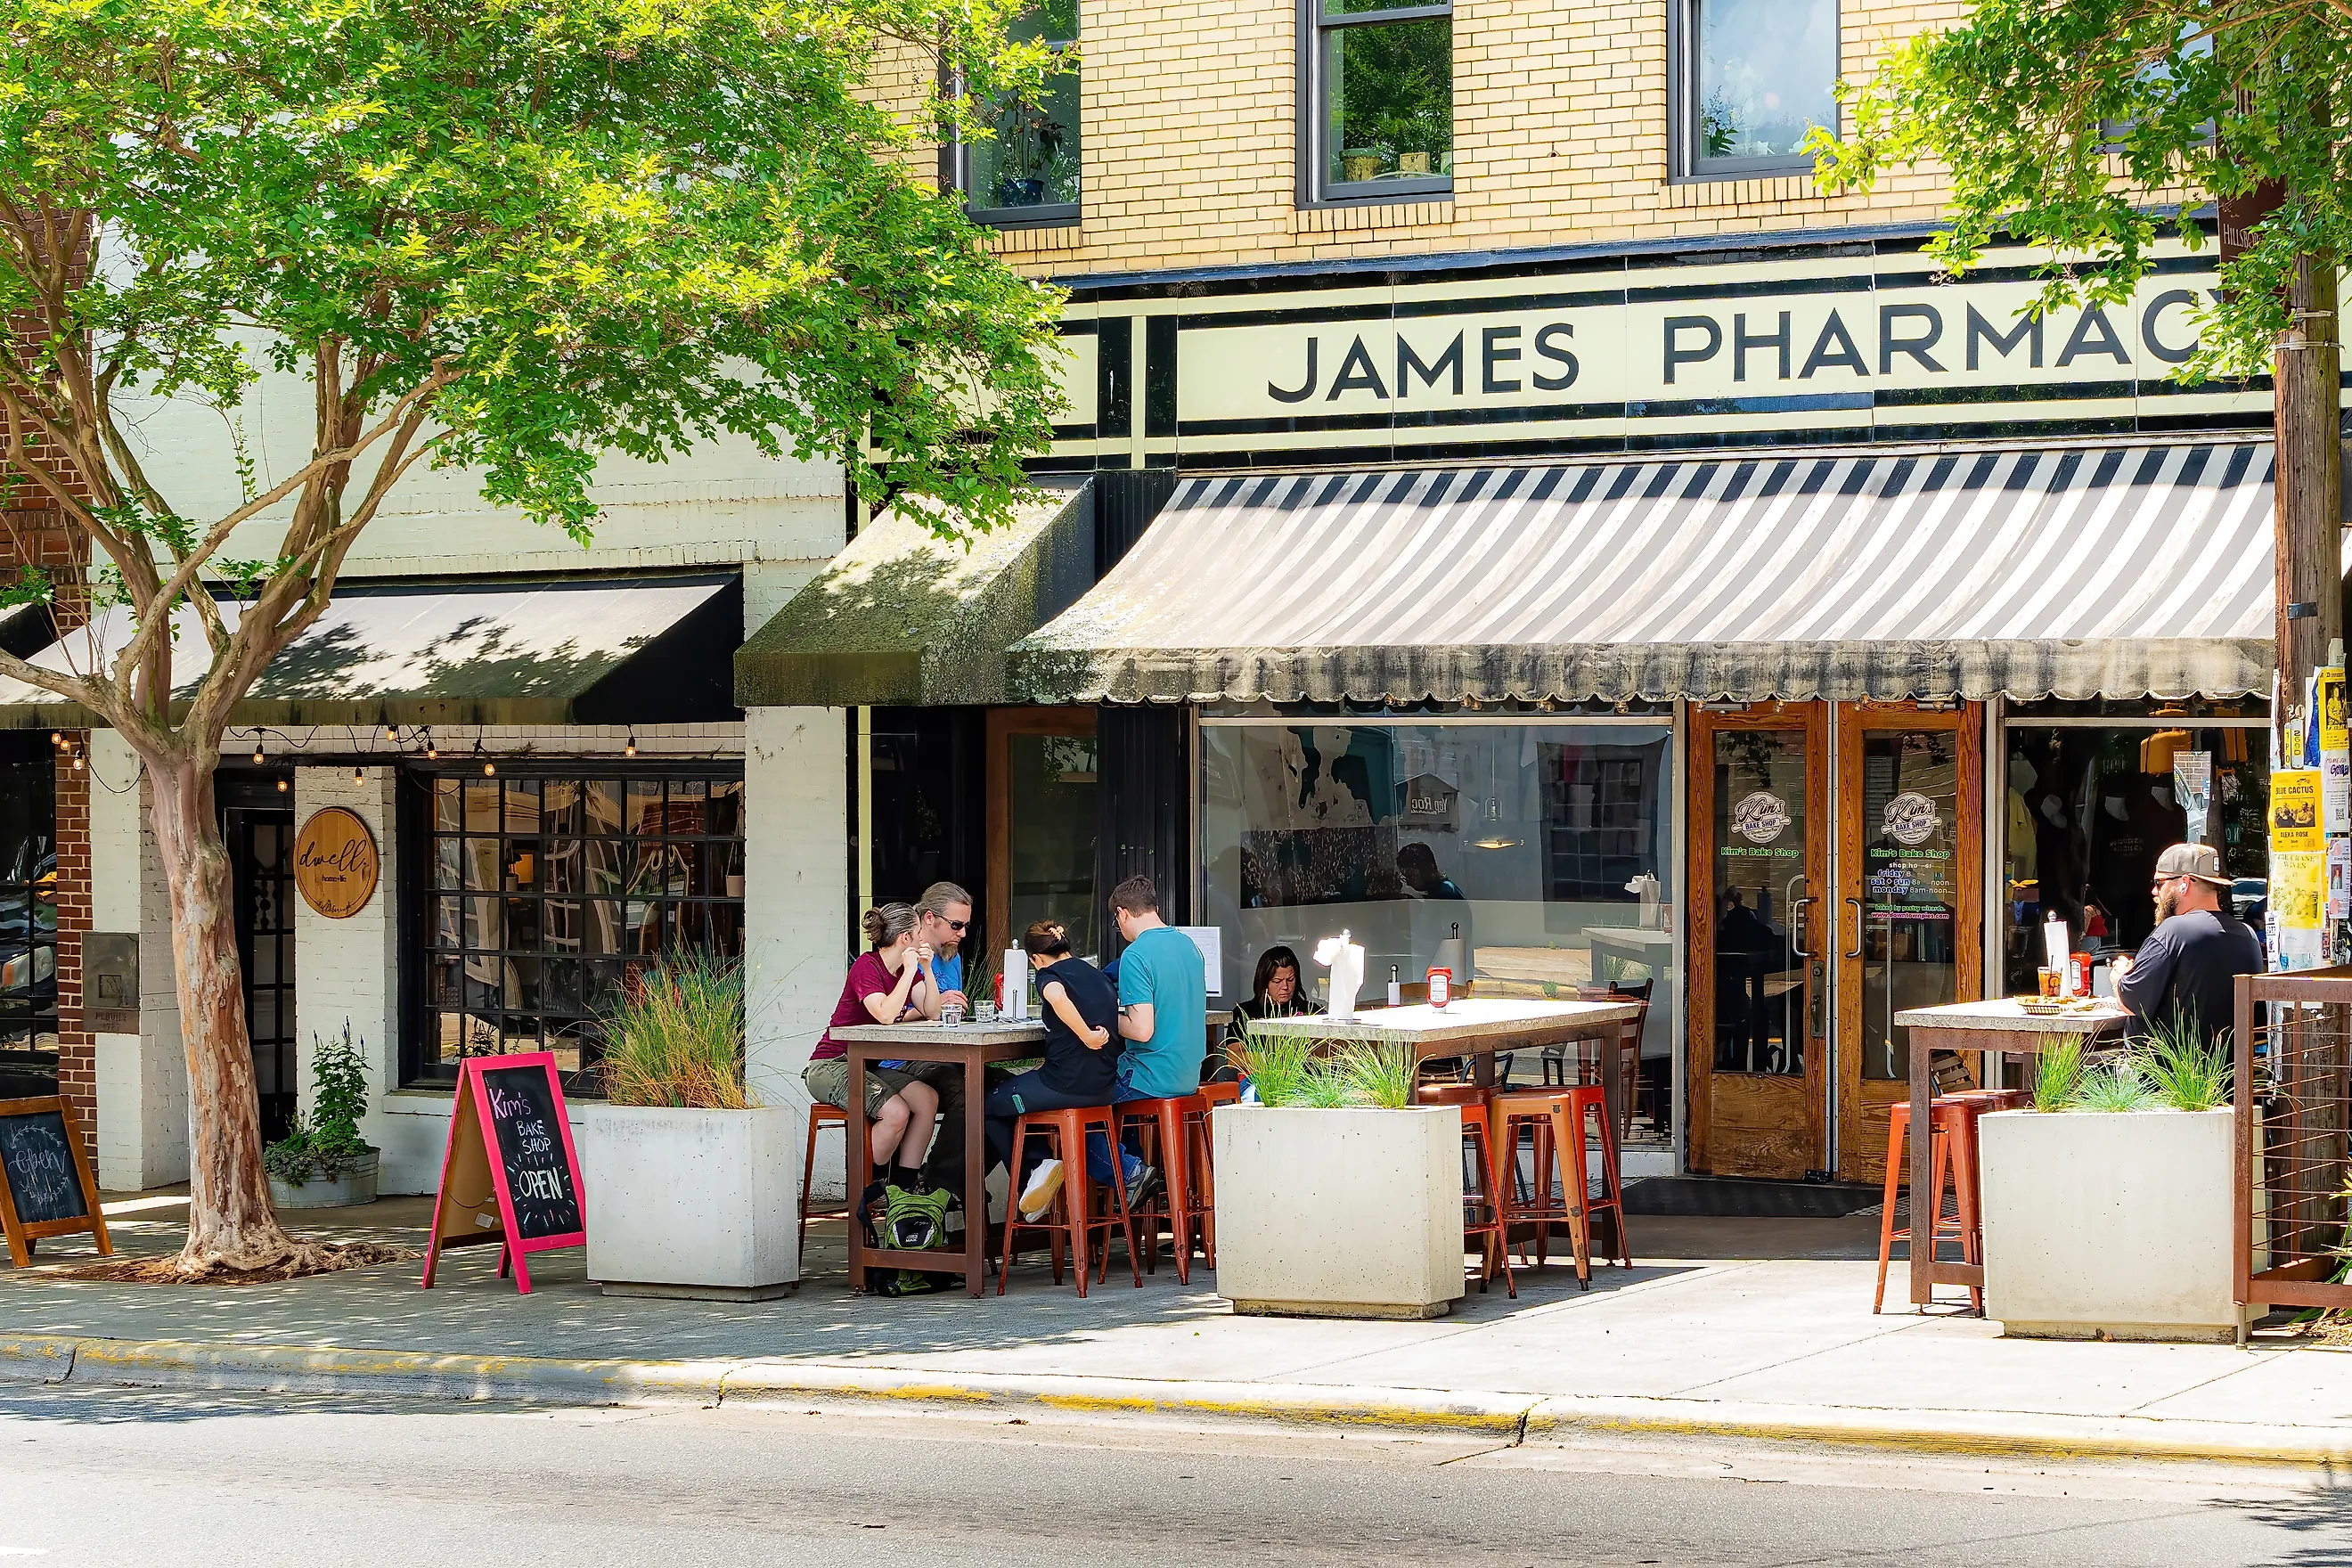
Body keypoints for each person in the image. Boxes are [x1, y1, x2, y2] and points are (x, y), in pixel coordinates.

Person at [984, 921, 1136, 1221]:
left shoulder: (1048, 976)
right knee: (1016, 1093)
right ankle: (1041, 1169)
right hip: (1103, 1088)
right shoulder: (1097, 975)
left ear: (1036, 959)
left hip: (1064, 1085)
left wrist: (1086, 1035)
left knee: (989, 1105)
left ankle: (1036, 1169)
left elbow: (1057, 996)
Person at [803, 904, 943, 1208]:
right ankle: (867, 1189)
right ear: (906, 938)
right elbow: (884, 1013)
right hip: (830, 1065)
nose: (924, 938)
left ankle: (902, 1192)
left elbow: (933, 1011)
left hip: (866, 1065)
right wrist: (909, 973)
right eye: (919, 932)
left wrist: (927, 971)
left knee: (926, 1098)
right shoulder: (867, 967)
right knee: (896, 1113)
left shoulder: (908, 973)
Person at [1084, 875, 1203, 1198]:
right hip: (1188, 1076)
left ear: (1122, 914)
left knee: (1076, 1104)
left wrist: (1099, 1016)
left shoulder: (1136, 955)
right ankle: (1138, 1175)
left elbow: (1141, 1029)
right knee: (1113, 1108)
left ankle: (1131, 1173)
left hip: (1150, 1076)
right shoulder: (1188, 945)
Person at [2112, 843, 2264, 1046]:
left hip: (2162, 1074)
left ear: (2184, 883)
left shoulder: (2173, 931)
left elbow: (2131, 1003)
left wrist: (2120, 976)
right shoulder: (2248, 935)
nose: (2154, 892)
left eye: (2159, 883)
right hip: (2225, 1073)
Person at [1217, 944, 1316, 1072]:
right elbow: (1234, 1057)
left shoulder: (1312, 1011)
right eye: (1277, 981)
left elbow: (1331, 1050)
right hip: (1258, 1080)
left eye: (1290, 980)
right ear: (1264, 983)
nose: (1285, 986)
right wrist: (1275, 1060)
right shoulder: (1245, 1012)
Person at [914, 881, 973, 1013]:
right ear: (929, 918)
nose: (962, 933)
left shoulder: (953, 957)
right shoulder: (906, 953)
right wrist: (934, 1005)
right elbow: (887, 1015)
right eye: (956, 925)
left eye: (966, 926)